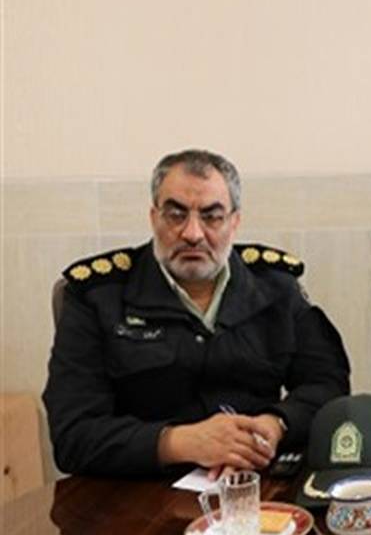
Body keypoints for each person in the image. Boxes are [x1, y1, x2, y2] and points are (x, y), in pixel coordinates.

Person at [43, 149, 351, 477]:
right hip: (138, 489)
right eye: (176, 215)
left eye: (211, 216)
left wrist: (275, 425)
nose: (192, 233)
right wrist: (178, 443)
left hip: (252, 481)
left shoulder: (275, 287)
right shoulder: (97, 295)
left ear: (234, 222)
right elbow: (72, 434)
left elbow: (328, 385)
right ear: (154, 217)